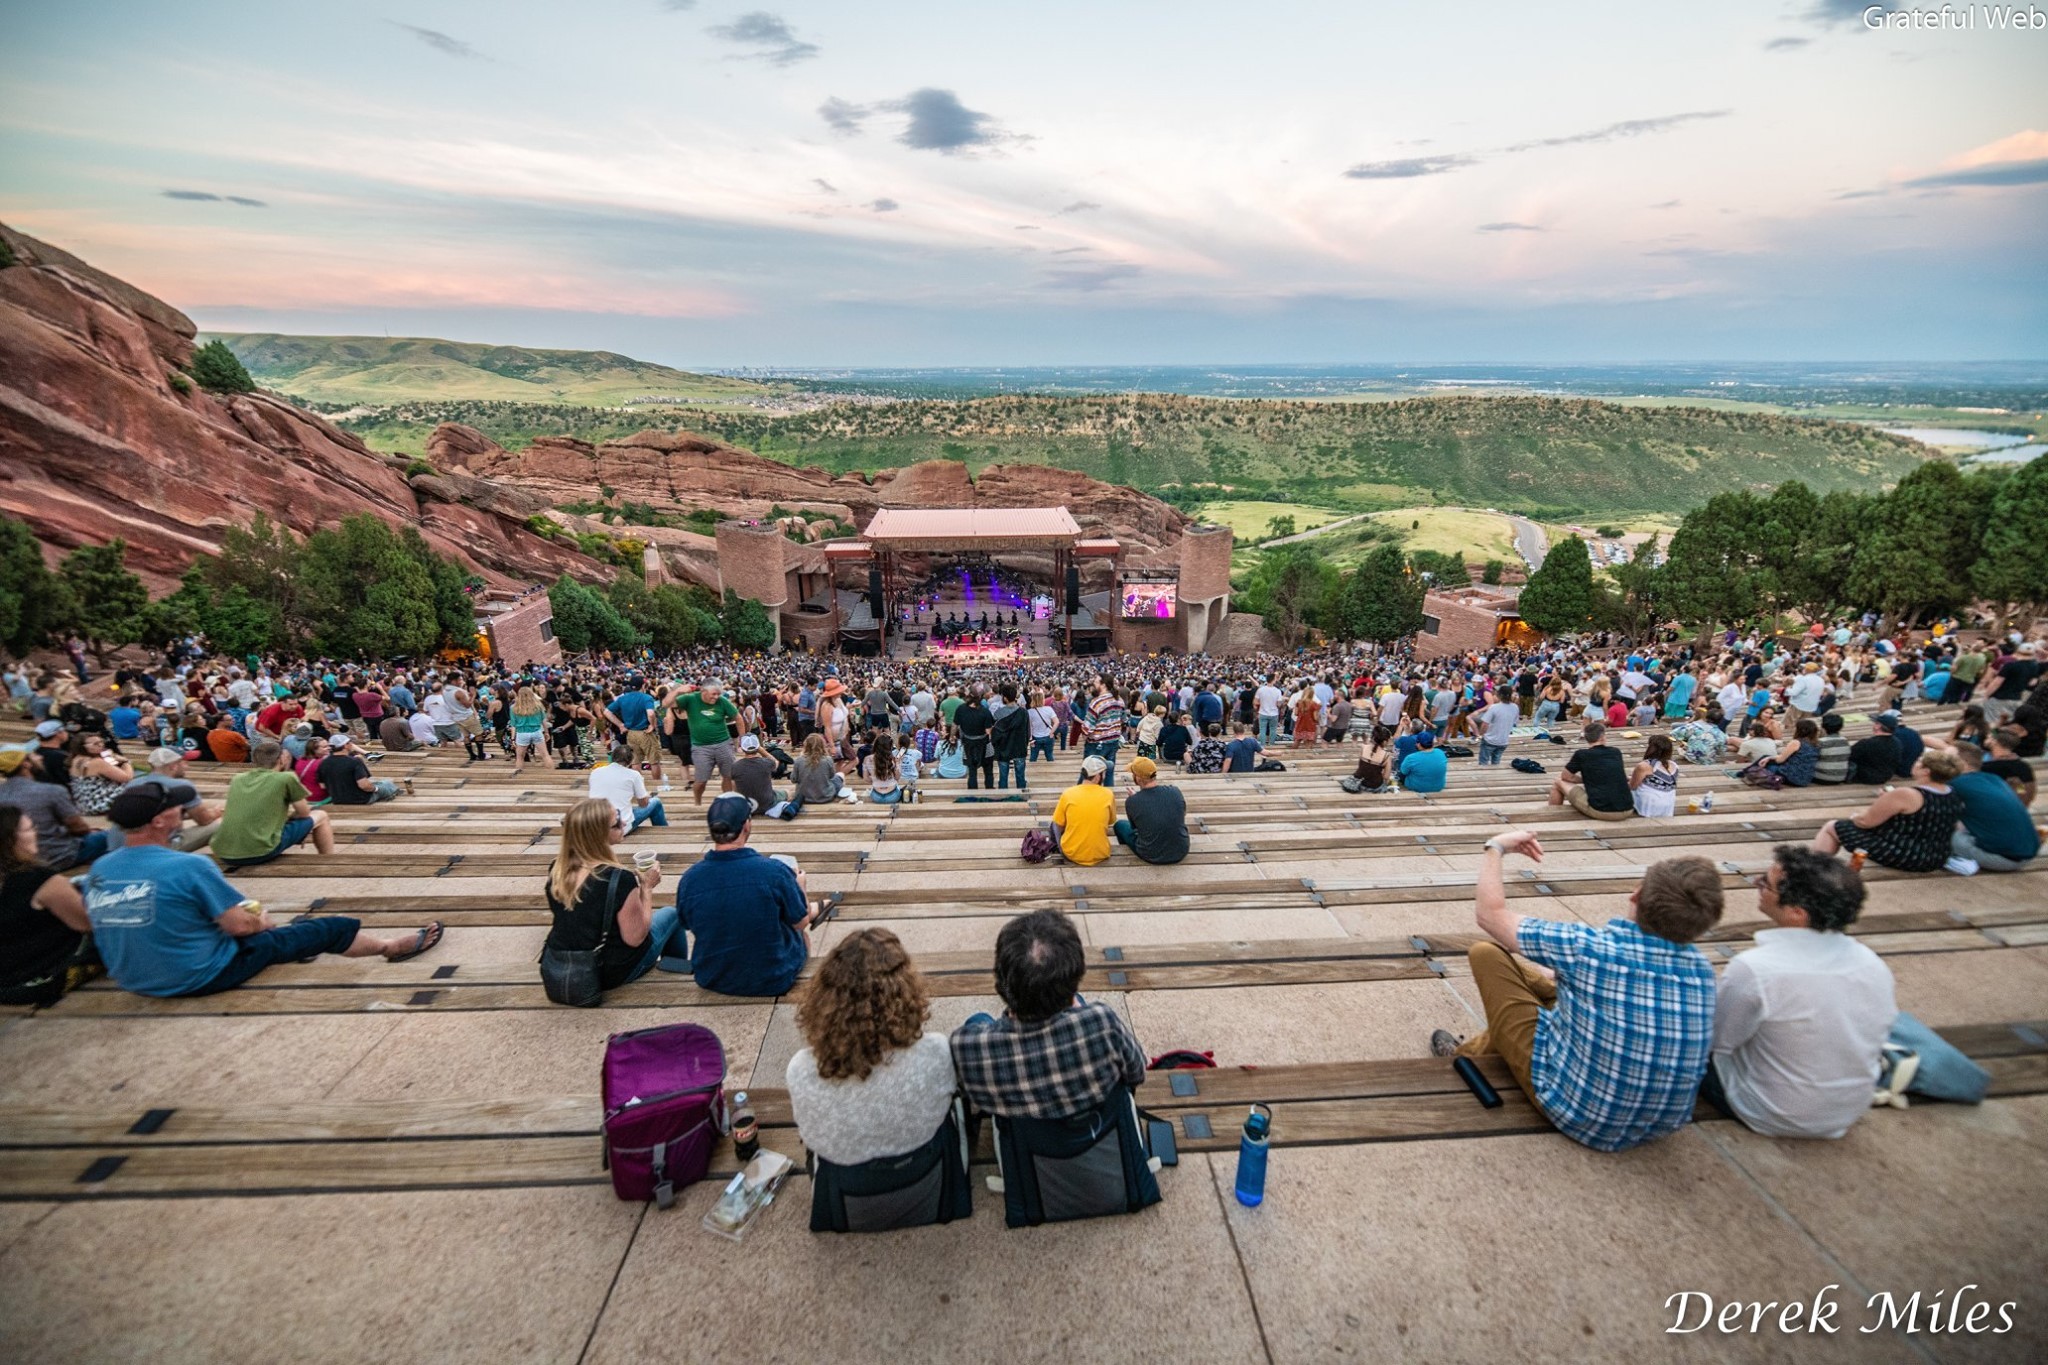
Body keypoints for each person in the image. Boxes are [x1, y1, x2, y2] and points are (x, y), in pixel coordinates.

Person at [1431, 831, 1722, 1152]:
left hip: (1582, 1114)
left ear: (1635, 895)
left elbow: (1490, 915)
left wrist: (1496, 847)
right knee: (1548, 979)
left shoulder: (1589, 949)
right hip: (1662, 1123)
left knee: (1487, 954)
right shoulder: (1703, 972)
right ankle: (1484, 1039)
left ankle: (1462, 1056)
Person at [86, 786, 439, 996]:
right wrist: (262, 922)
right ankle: (389, 947)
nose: (182, 809)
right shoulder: (187, 866)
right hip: (197, 975)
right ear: (160, 821)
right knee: (321, 929)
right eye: (173, 807)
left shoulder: (101, 868)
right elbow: (240, 927)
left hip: (133, 978)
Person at [1704, 847, 1894, 1139]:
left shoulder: (1756, 969)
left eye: (1765, 883)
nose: (1757, 884)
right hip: (1848, 1109)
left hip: (1768, 1110)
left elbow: (1717, 1041)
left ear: (1796, 913)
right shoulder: (1872, 963)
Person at [786, 927, 959, 1167]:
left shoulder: (801, 1070)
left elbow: (808, 1134)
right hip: (925, 1176)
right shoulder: (936, 1051)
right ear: (905, 991)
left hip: (842, 1189)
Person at [951, 909, 1147, 1119]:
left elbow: (969, 1095)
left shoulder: (967, 1047)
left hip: (1026, 1143)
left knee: (978, 1020)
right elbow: (1137, 1072)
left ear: (1001, 984)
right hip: (1094, 1131)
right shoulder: (1103, 1024)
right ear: (1077, 975)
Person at [674, 795, 824, 996]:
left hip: (711, 977)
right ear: (746, 825)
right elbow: (800, 922)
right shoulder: (774, 872)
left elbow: (686, 923)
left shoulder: (689, 879)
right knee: (799, 933)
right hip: (774, 978)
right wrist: (800, 886)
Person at [540, 797, 676, 993]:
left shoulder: (558, 869)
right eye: (616, 824)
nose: (623, 824)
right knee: (671, 915)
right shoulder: (619, 879)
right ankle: (676, 972)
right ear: (598, 835)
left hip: (560, 966)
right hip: (606, 973)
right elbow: (636, 938)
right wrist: (646, 888)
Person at [0, 803, 98, 1005]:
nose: (37, 832)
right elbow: (87, 923)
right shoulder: (38, 879)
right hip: (35, 982)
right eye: (29, 829)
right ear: (10, 840)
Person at [1812, 748, 1966, 873]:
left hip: (1905, 854)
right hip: (1936, 856)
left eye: (1919, 761)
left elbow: (1865, 822)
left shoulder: (1907, 794)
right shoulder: (1953, 793)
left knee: (1832, 826)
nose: (1916, 763)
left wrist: (1856, 816)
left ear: (1926, 771)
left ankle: (1814, 869)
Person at [213, 740, 334, 869]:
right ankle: (328, 861)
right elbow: (304, 813)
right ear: (281, 759)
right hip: (261, 851)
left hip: (224, 853)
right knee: (321, 815)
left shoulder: (238, 778)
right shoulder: (286, 777)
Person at [1, 749, 109, 869]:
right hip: (58, 856)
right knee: (110, 836)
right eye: (34, 756)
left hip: (15, 858)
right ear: (26, 764)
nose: (40, 758)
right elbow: (78, 827)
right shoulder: (52, 791)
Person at [1946, 742, 2040, 874]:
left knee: (1941, 834)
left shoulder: (1956, 784)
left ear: (1962, 763)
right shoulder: (1994, 779)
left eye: (1945, 759)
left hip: (2003, 858)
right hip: (2027, 853)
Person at [1548, 720, 1633, 821]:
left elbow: (1565, 776)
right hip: (1628, 808)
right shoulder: (1616, 752)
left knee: (1558, 782)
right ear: (1602, 737)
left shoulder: (1581, 754)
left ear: (1586, 738)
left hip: (1601, 810)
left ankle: (1552, 816)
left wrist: (1585, 780)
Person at [1114, 756, 1188, 865]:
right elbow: (1182, 813)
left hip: (1150, 854)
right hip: (1181, 850)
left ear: (1138, 778)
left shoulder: (1132, 801)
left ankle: (1126, 854)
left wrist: (1135, 799)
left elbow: (1135, 828)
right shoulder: (1175, 791)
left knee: (1119, 825)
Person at [1049, 754, 1116, 865]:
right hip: (1101, 853)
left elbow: (1058, 825)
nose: (1105, 776)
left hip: (1071, 853)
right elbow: (1111, 821)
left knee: (1055, 823)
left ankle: (1057, 847)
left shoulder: (1068, 793)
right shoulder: (1108, 794)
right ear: (1097, 776)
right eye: (1103, 773)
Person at [590, 744, 668, 834]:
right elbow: (643, 804)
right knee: (656, 802)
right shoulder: (633, 775)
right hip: (619, 825)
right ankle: (664, 831)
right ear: (630, 761)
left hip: (596, 823)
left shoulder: (595, 772)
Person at [607, 676, 667, 786]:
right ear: (643, 685)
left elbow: (607, 712)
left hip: (631, 733)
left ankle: (638, 785)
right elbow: (651, 713)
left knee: (635, 761)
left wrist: (620, 725)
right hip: (645, 732)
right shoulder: (646, 698)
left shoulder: (623, 698)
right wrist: (652, 725)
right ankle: (657, 786)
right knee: (654, 761)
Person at [318, 734, 403, 806]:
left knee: (381, 783)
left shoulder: (323, 763)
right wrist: (376, 789)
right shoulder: (354, 761)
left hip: (337, 799)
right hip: (360, 799)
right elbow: (364, 785)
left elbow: (323, 786)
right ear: (345, 745)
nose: (351, 744)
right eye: (349, 742)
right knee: (387, 783)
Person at [1629, 734, 1680, 817]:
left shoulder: (1644, 766)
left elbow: (1632, 786)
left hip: (1650, 806)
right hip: (1667, 806)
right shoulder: (1674, 766)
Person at [1845, 712, 1903, 785]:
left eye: (1876, 723)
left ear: (1878, 726)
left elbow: (1848, 756)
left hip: (1865, 777)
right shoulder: (1897, 743)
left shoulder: (1867, 743)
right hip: (1886, 776)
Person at [731, 733, 783, 813]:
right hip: (767, 804)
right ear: (758, 747)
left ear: (743, 748)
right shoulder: (767, 763)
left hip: (747, 806)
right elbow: (776, 762)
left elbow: (733, 787)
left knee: (733, 780)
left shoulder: (735, 766)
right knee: (787, 792)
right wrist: (762, 751)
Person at [954, 686, 994, 790]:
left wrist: (951, 736)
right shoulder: (985, 712)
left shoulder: (961, 709)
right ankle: (989, 789)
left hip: (968, 743)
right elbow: (988, 731)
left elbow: (955, 724)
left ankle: (972, 791)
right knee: (988, 768)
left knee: (972, 770)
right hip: (984, 742)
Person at [1344, 724, 1395, 794]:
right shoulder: (1386, 756)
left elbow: (1361, 767)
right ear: (1385, 741)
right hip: (1375, 786)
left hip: (1359, 784)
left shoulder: (1363, 747)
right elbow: (1386, 777)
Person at [509, 685, 549, 773]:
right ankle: (552, 774)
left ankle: (518, 775)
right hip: (537, 731)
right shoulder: (538, 706)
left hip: (522, 733)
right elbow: (544, 721)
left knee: (520, 757)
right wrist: (546, 732)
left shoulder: (513, 708)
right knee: (545, 755)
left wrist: (512, 739)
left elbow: (513, 725)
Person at [1396, 728, 1448, 793]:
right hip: (1438, 787)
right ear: (1432, 742)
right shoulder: (1441, 752)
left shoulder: (1411, 758)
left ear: (1418, 744)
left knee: (1400, 772)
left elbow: (1403, 772)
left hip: (1417, 787)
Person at [1476, 692, 1519, 767]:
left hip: (1489, 740)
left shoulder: (1494, 707)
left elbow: (1485, 724)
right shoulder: (1515, 707)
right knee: (1496, 763)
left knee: (1483, 763)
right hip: (1503, 741)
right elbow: (1515, 722)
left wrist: (1480, 734)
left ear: (1499, 696)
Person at [1811, 712, 1851, 785]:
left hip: (1821, 777)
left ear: (1823, 727)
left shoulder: (1821, 742)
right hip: (1841, 777)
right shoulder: (1845, 741)